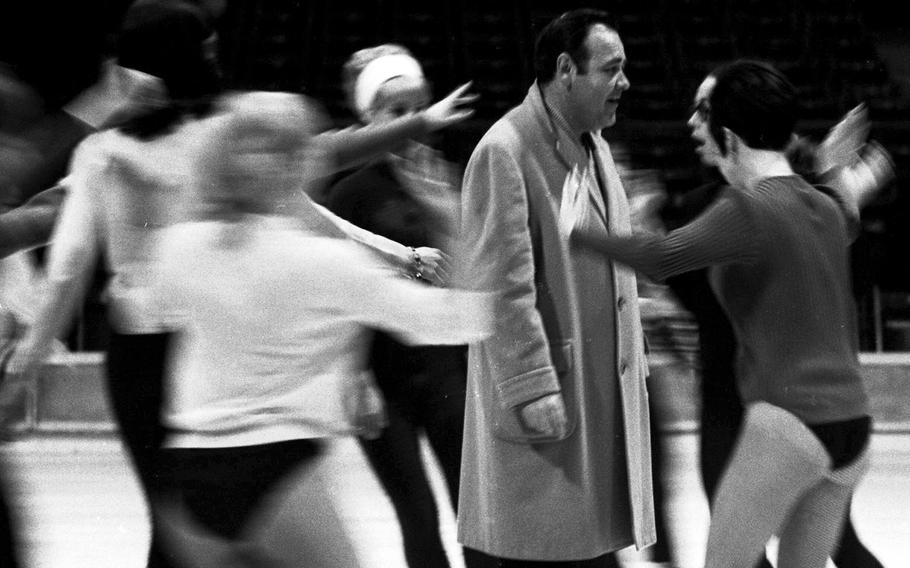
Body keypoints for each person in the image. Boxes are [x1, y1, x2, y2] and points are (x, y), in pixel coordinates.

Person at [0, 1, 477, 567]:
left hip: (144, 342)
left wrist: (25, 367)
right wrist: (400, 249)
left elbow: (66, 267)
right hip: (205, 331)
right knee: (228, 514)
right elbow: (313, 187)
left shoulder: (105, 151)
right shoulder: (217, 138)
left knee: (182, 518)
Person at [149, 91, 493, 568]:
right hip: (276, 472)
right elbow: (457, 320)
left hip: (184, 474)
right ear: (298, 164)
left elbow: (145, 311)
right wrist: (451, 223)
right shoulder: (325, 263)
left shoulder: (178, 249)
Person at [570, 59, 873, 568]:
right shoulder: (824, 205)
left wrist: (575, 227)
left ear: (729, 139)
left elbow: (662, 258)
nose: (694, 127)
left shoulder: (747, 208)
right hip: (854, 429)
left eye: (703, 117)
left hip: (790, 422)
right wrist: (835, 172)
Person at [457, 9, 654, 567]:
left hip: (594, 393)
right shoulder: (505, 150)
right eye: (611, 70)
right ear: (566, 69)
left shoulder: (595, 146)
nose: (625, 83)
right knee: (544, 547)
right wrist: (529, 386)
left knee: (582, 547)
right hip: (549, 400)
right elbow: (500, 288)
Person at [325, 44, 471, 568]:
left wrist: (446, 215)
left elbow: (474, 279)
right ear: (369, 118)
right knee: (416, 512)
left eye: (418, 108)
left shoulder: (451, 180)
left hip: (446, 368)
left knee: (475, 510)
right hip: (380, 373)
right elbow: (338, 296)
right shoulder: (350, 194)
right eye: (396, 112)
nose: (412, 122)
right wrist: (352, 376)